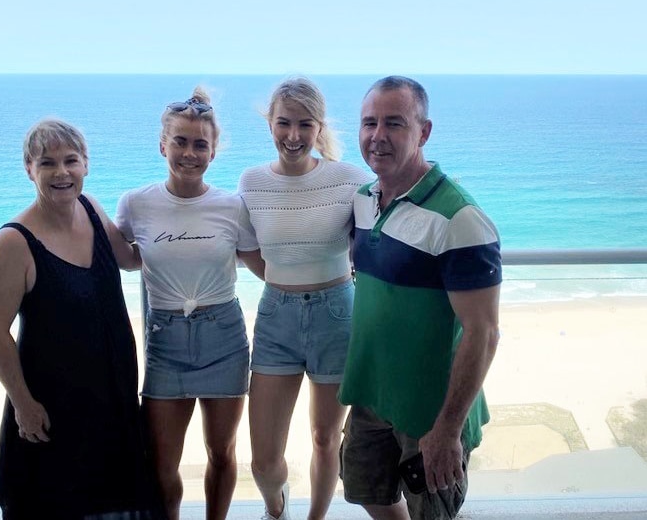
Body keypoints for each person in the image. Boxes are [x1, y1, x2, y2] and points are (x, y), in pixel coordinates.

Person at [0, 118, 166, 519]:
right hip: (53, 406)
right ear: (29, 169)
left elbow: (131, 260)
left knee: (118, 500)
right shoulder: (13, 243)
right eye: (47, 163)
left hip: (112, 398)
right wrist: (23, 403)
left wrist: (183, 221)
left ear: (86, 165)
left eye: (71, 161)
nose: (61, 172)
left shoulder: (91, 209)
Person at [337, 75, 502, 520]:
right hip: (372, 393)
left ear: (423, 132)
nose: (377, 136)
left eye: (394, 123)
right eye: (369, 123)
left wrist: (447, 430)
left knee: (434, 512)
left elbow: (483, 333)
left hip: (433, 411)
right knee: (367, 489)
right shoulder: (363, 200)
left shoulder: (459, 218)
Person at [114, 87, 263, 520]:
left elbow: (264, 266)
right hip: (166, 342)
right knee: (161, 465)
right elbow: (121, 258)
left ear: (214, 152)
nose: (189, 153)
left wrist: (332, 263)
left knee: (221, 453)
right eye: (180, 141)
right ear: (163, 144)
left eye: (200, 144)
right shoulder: (136, 203)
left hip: (224, 336)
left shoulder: (232, 208)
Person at [238, 77, 371, 520]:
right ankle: (276, 507)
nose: (292, 136)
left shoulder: (350, 179)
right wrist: (281, 281)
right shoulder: (251, 181)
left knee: (324, 437)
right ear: (269, 124)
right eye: (283, 123)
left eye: (304, 124)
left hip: (338, 312)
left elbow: (374, 244)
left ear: (319, 127)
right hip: (276, 317)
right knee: (263, 458)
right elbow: (248, 248)